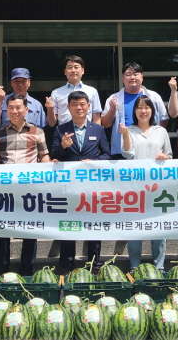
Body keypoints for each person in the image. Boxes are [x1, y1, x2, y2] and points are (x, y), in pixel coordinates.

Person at [0, 94, 51, 276]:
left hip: (29, 190)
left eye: (18, 107)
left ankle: (27, 270)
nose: (14, 111)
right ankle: (0, 271)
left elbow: (44, 156)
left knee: (29, 230)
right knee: (3, 230)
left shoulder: (37, 132)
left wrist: (51, 169)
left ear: (26, 110)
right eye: (11, 108)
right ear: (6, 110)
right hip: (5, 191)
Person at [52, 91, 110, 273]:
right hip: (68, 187)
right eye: (74, 104)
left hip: (92, 186)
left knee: (93, 225)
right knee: (69, 225)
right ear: (68, 107)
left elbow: (107, 154)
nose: (79, 107)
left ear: (88, 106)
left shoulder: (98, 129)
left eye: (82, 104)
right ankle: (67, 265)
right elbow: (54, 156)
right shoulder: (60, 129)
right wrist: (63, 147)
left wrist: (93, 162)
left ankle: (94, 264)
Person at [119, 95, 171, 271]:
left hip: (159, 186)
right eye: (139, 107)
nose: (143, 111)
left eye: (147, 107)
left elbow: (169, 155)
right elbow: (128, 153)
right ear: (134, 111)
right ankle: (134, 266)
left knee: (159, 227)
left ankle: (159, 267)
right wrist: (125, 135)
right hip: (135, 187)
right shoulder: (129, 130)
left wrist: (164, 157)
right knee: (135, 227)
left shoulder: (161, 131)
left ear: (152, 110)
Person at [101, 62, 168, 159]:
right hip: (122, 151)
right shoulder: (114, 98)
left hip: (150, 150)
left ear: (142, 77)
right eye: (128, 74)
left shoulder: (154, 97)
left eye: (136, 74)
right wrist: (112, 110)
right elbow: (105, 124)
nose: (132, 77)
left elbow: (163, 121)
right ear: (123, 78)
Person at [46, 55, 102, 127]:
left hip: (87, 131)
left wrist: (96, 133)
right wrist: (50, 109)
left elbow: (96, 116)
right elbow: (51, 124)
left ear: (82, 70)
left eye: (76, 67)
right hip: (64, 131)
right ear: (65, 71)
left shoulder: (92, 91)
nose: (73, 70)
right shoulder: (56, 93)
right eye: (70, 67)